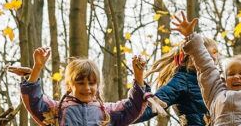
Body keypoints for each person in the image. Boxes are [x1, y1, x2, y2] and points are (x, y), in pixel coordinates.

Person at [14, 47, 154, 126]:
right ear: (69, 85)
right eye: (80, 83)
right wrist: (37, 68)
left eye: (92, 83)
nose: (87, 88)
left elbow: (133, 107)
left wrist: (139, 76)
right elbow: (34, 101)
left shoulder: (106, 113)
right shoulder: (57, 111)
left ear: (97, 85)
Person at [130, 37, 219, 125]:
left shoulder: (217, 85)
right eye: (208, 59)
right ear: (191, 59)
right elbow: (151, 107)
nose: (213, 64)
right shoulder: (182, 81)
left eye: (215, 60)